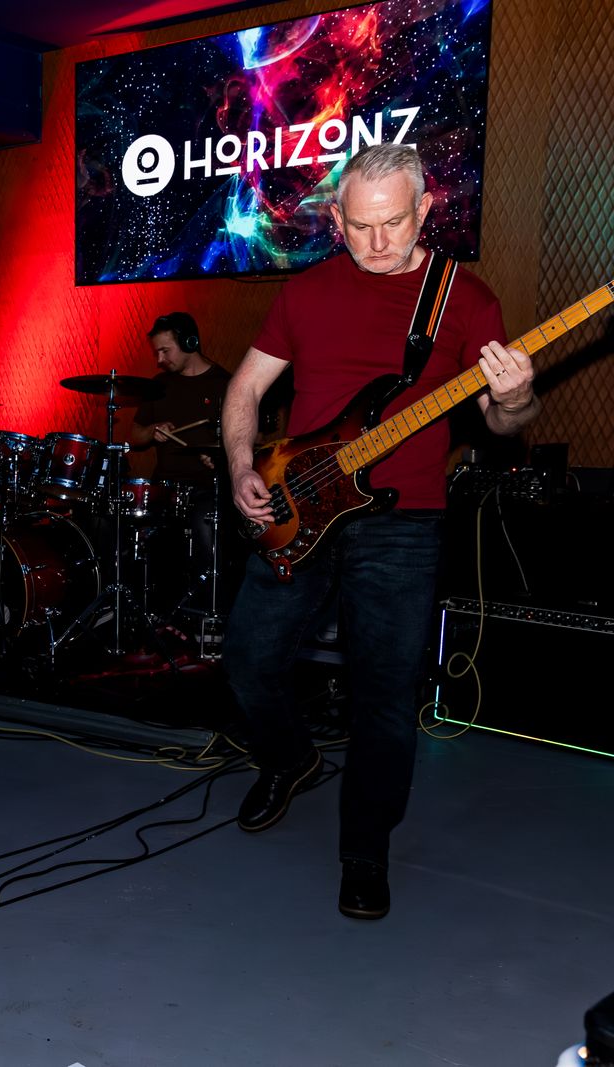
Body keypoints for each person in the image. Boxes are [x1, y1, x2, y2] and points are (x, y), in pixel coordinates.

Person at [221, 143, 539, 919]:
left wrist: (514, 398)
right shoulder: (305, 292)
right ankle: (289, 757)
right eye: (359, 226)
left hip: (403, 520)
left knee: (385, 697)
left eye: (393, 222)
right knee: (248, 660)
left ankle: (364, 849)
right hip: (299, 502)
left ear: (425, 208)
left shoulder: (466, 298)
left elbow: (505, 423)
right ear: (336, 218)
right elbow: (247, 388)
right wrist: (239, 467)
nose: (376, 241)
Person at [129, 313, 232, 614]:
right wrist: (152, 430)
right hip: (163, 487)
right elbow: (135, 436)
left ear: (190, 343)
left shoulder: (225, 384)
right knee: (129, 527)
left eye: (165, 350)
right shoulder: (159, 386)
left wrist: (221, 456)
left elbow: (248, 438)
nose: (160, 360)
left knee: (205, 528)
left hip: (206, 488)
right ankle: (151, 612)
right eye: (157, 352)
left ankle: (208, 613)